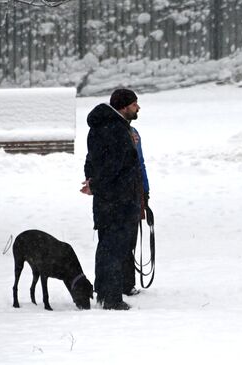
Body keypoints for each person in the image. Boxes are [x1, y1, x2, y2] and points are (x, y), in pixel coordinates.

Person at [80, 88, 143, 310]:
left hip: (109, 200)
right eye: (135, 104)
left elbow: (92, 160)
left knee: (107, 246)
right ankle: (112, 298)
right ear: (124, 106)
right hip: (119, 200)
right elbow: (114, 165)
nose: (138, 108)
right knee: (115, 248)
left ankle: (104, 292)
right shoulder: (115, 130)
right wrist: (95, 184)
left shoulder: (102, 127)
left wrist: (91, 182)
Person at [123, 126, 150, 297]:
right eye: (133, 104)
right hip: (125, 194)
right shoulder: (122, 132)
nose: (138, 107)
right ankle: (123, 283)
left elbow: (140, 163)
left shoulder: (133, 132)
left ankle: (126, 282)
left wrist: (145, 191)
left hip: (134, 193)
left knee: (130, 240)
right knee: (123, 241)